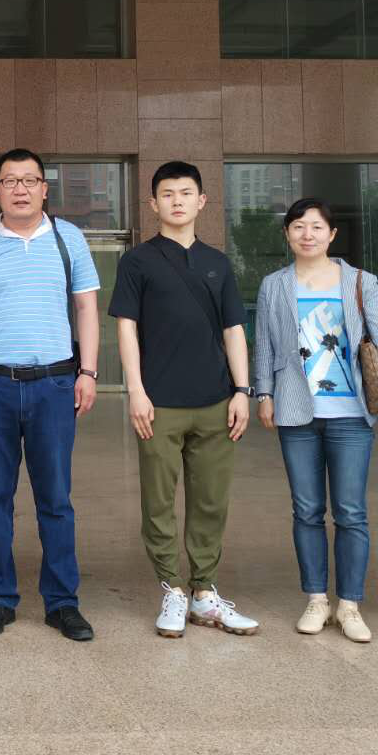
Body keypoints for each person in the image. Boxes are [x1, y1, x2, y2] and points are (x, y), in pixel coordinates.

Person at [0, 148, 100, 642]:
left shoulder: (68, 238)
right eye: (10, 181)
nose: (20, 189)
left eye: (29, 180)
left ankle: (62, 602)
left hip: (54, 385)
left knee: (55, 498)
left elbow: (86, 308)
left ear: (44, 188)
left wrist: (88, 372)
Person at [111, 160, 257, 639]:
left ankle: (204, 592)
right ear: (153, 204)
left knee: (211, 500)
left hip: (216, 401)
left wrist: (242, 391)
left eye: (186, 192)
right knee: (158, 502)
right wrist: (136, 391)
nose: (177, 201)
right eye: (168, 194)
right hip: (159, 403)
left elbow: (233, 331)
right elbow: (127, 329)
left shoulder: (218, 262)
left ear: (202, 201)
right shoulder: (137, 261)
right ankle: (172, 588)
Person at [254, 198, 378, 643]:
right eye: (298, 226)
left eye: (317, 227)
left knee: (351, 512)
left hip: (351, 415)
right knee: (306, 510)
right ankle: (317, 599)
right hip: (296, 412)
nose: (308, 234)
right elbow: (263, 343)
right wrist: (263, 393)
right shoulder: (274, 285)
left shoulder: (360, 281)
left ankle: (350, 606)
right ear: (287, 234)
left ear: (332, 234)